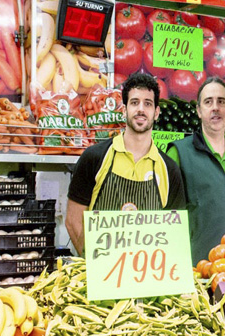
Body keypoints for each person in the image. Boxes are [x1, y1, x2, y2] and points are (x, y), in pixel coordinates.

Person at [65, 73, 186, 255]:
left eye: (148, 103)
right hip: (102, 276)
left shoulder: (169, 169)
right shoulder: (94, 158)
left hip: (149, 277)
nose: (141, 110)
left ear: (156, 112)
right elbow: (73, 221)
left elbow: (175, 235)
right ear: (124, 110)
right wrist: (94, 262)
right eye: (134, 102)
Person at [162, 76, 225, 263]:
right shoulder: (179, 152)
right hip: (197, 268)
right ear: (199, 110)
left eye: (221, 102)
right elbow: (167, 216)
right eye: (208, 102)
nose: (215, 107)